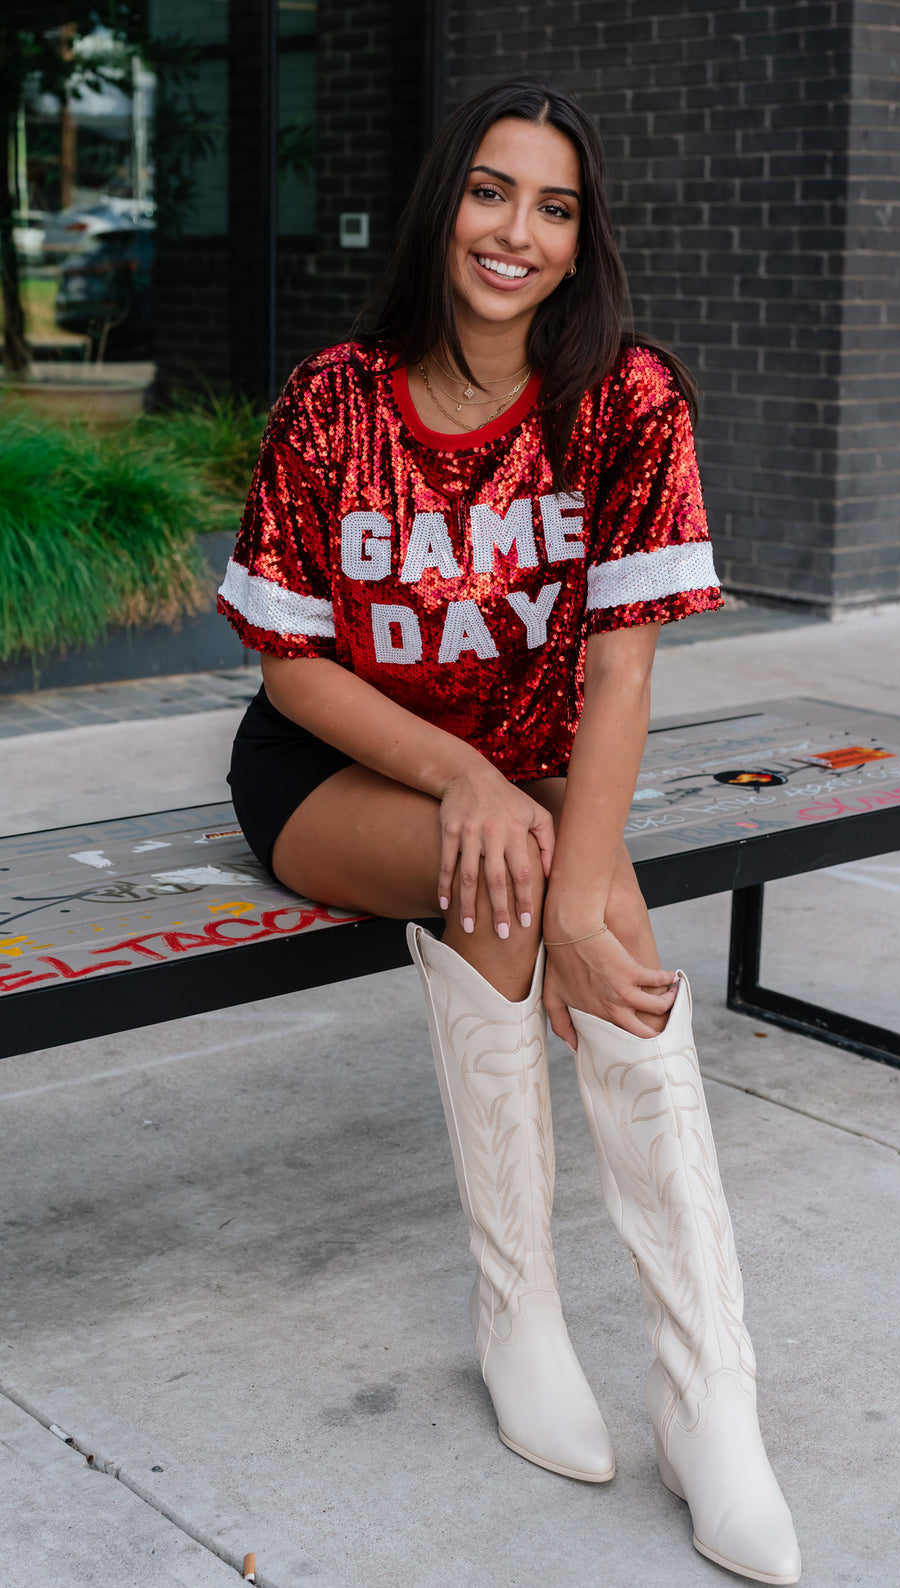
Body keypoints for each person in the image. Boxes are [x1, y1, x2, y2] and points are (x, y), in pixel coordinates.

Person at [218, 78, 801, 1585]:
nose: (517, 231)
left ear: (582, 236)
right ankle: (520, 1310)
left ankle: (709, 1399)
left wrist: (583, 889)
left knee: (577, 903)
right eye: (492, 192)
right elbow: (291, 662)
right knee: (511, 874)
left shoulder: (627, 397)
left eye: (555, 205)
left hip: (536, 771)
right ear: (444, 205)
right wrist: (469, 788)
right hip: (333, 765)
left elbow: (622, 664)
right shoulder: (335, 397)